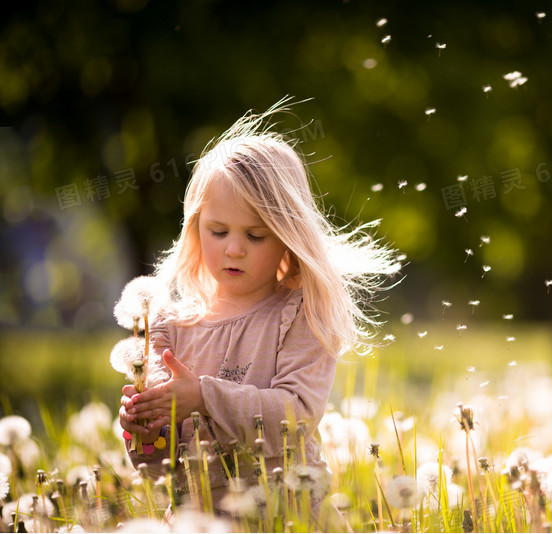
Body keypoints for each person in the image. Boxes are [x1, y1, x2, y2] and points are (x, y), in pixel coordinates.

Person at [116, 98, 400, 517]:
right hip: (205, 522)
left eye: (255, 235)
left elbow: (297, 414)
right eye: (218, 231)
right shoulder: (169, 329)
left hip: (290, 516)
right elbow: (159, 468)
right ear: (195, 229)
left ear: (288, 234)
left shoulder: (299, 313)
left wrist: (204, 397)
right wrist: (144, 428)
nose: (234, 248)